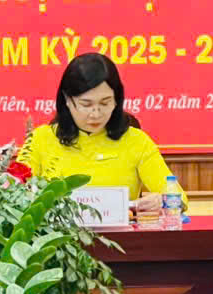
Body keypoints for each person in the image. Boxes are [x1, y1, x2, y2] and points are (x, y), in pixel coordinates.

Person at [18, 53, 185, 215]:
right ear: (67, 100)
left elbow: (180, 199)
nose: (96, 114)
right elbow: (14, 196)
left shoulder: (137, 141)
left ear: (117, 100)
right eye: (86, 104)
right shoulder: (40, 139)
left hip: (122, 234)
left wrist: (161, 201)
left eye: (105, 103)